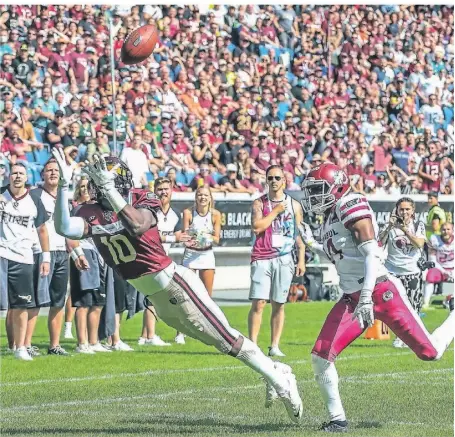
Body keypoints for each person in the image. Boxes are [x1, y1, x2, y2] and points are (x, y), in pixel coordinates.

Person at [51, 149, 303, 423]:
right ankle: (276, 370)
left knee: (227, 338)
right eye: (98, 185)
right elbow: (65, 228)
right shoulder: (92, 211)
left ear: (118, 183)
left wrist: (111, 191)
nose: (99, 190)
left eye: (104, 184)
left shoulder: (142, 199)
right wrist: (64, 187)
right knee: (219, 342)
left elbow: (136, 225)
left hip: (175, 283)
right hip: (156, 298)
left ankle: (282, 382)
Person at [297, 162, 454, 432]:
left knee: (431, 353)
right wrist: (312, 243)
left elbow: (371, 254)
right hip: (352, 298)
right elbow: (344, 257)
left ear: (337, 186)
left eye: (319, 190)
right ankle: (338, 420)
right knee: (321, 356)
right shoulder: (331, 215)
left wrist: (368, 296)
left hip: (382, 291)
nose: (314, 197)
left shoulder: (350, 204)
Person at [248, 165, 305, 358]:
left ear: (284, 181)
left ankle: (274, 345)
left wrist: (302, 258)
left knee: (279, 303)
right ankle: (253, 345)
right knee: (259, 302)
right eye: (270, 178)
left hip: (284, 257)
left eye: (277, 178)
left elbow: (299, 233)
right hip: (262, 256)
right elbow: (257, 227)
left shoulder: (295, 205)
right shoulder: (259, 203)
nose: (273, 181)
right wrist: (276, 211)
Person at [0, 163, 50, 361]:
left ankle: (20, 347)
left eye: (21, 173)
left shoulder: (34, 200)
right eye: (14, 173)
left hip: (24, 258)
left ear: (27, 177)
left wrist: (45, 257)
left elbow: (43, 230)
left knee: (21, 304)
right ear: (9, 176)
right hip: (1, 254)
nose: (17, 177)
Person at [138, 176, 190, 346]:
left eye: (166, 189)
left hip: (165, 261)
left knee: (168, 297)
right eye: (160, 189)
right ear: (154, 191)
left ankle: (146, 336)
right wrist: (170, 237)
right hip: (149, 259)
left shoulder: (176, 215)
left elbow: (181, 235)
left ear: (172, 191)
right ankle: (150, 336)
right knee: (152, 298)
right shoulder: (149, 211)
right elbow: (149, 236)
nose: (163, 192)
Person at [30, 159, 72, 356]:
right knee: (36, 301)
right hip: (41, 252)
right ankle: (26, 344)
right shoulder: (35, 195)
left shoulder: (64, 197)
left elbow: (68, 229)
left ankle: (54, 345)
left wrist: (77, 253)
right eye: (49, 170)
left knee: (58, 301)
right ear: (43, 175)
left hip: (62, 253)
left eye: (56, 170)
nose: (53, 173)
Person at [68, 176, 110, 354]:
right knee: (84, 302)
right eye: (82, 187)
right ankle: (82, 343)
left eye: (88, 187)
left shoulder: (98, 209)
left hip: (99, 256)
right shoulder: (77, 210)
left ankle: (94, 342)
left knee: (98, 301)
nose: (85, 190)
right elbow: (69, 234)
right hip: (84, 253)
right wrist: (78, 254)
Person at [379, 197, 426, 348]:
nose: (404, 212)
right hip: (392, 272)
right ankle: (400, 337)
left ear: (413, 211)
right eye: (401, 209)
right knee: (393, 307)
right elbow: (379, 243)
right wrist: (389, 227)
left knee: (413, 307)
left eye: (407, 209)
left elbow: (419, 243)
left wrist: (405, 229)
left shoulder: (418, 225)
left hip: (412, 272)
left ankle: (414, 338)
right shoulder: (390, 226)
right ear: (396, 210)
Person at [182, 185, 221, 297]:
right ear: (195, 197)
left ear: (210, 198)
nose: (202, 197)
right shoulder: (188, 212)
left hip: (206, 254)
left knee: (206, 295)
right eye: (199, 195)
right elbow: (184, 235)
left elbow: (217, 239)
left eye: (205, 195)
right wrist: (189, 239)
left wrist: (205, 236)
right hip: (191, 254)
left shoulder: (215, 214)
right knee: (188, 294)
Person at [422, 222, 454, 311]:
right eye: (444, 229)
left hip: (453, 267)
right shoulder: (434, 239)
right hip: (439, 267)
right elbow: (432, 259)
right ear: (440, 230)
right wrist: (444, 271)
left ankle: (449, 299)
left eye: (448, 229)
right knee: (430, 275)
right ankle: (426, 303)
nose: (446, 231)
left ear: (453, 230)